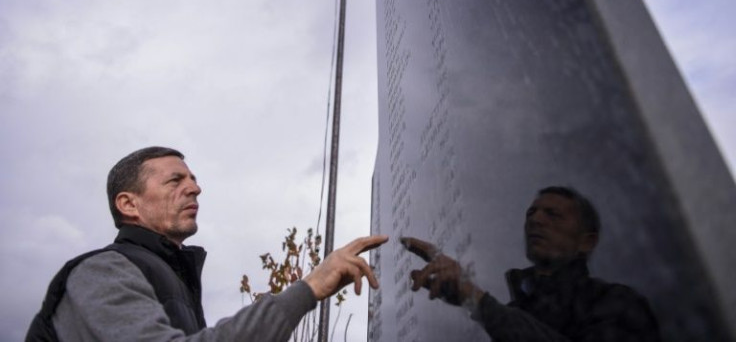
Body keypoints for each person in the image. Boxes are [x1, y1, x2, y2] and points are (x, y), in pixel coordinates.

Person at [27, 146, 388, 341]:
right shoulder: (102, 272)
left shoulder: (172, 279)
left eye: (194, 179)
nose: (195, 187)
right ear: (128, 204)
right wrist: (307, 289)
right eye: (174, 180)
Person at [403, 186, 661, 341]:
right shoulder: (516, 308)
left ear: (587, 242)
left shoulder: (617, 302)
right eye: (531, 213)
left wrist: (475, 298)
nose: (536, 220)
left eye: (553, 214)